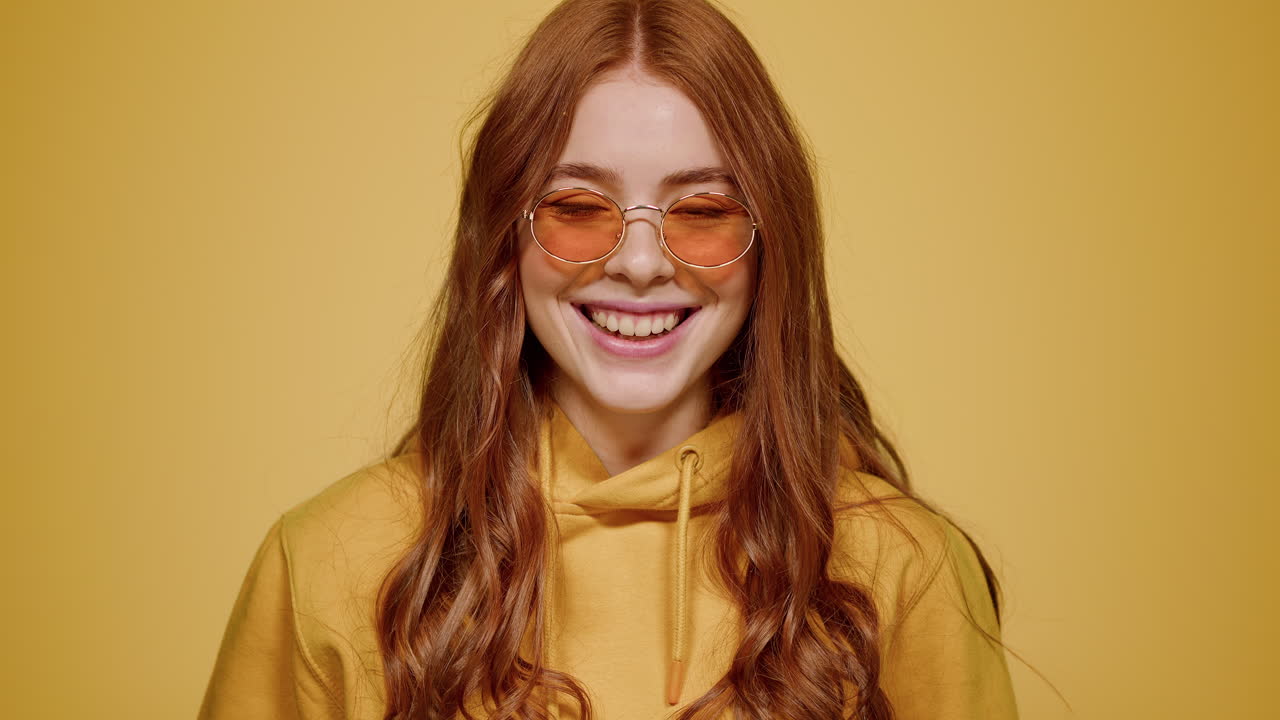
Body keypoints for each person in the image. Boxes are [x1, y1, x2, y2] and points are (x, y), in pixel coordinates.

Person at [197, 1, 1019, 718]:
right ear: (503, 239)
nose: (637, 262)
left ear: (772, 244)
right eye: (577, 207)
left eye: (701, 210)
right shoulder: (328, 556)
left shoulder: (903, 568)